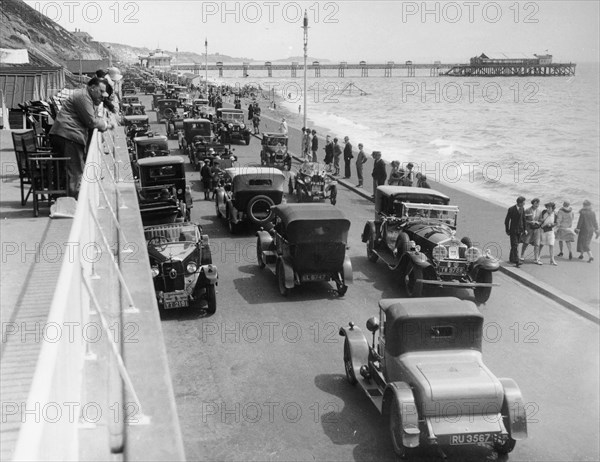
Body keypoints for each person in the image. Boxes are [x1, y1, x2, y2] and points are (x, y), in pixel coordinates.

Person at [49, 77, 114, 198]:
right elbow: (91, 121)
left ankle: (66, 199)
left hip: (65, 135)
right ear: (92, 88)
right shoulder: (83, 97)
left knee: (69, 170)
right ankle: (75, 201)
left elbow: (93, 119)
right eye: (100, 92)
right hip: (69, 136)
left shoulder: (88, 98)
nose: (102, 96)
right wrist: (106, 125)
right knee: (75, 171)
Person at [521, 198, 543, 264]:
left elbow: (541, 220)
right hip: (529, 229)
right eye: (536, 203)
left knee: (537, 244)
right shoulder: (527, 210)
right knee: (526, 242)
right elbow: (523, 220)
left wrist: (539, 222)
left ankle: (536, 258)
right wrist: (531, 222)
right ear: (532, 203)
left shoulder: (539, 211)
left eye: (538, 203)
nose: (537, 205)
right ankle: (522, 255)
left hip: (537, 229)